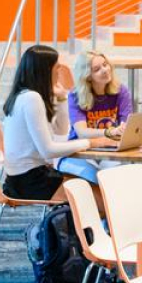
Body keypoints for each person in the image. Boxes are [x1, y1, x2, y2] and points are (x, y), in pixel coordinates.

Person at [1, 45, 116, 201]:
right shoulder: (31, 98)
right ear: (44, 70)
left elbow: (61, 132)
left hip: (24, 177)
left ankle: (80, 224)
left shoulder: (24, 95)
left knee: (95, 191)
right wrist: (91, 142)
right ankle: (81, 224)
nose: (60, 69)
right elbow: (48, 151)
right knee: (105, 201)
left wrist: (62, 98)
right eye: (56, 66)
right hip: (30, 181)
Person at [55, 50, 132, 184]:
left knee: (123, 175)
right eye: (97, 69)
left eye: (105, 64)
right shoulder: (75, 95)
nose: (104, 70)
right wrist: (109, 132)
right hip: (80, 152)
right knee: (97, 178)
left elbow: (126, 125)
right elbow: (82, 132)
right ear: (88, 76)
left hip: (109, 149)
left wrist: (123, 129)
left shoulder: (121, 91)